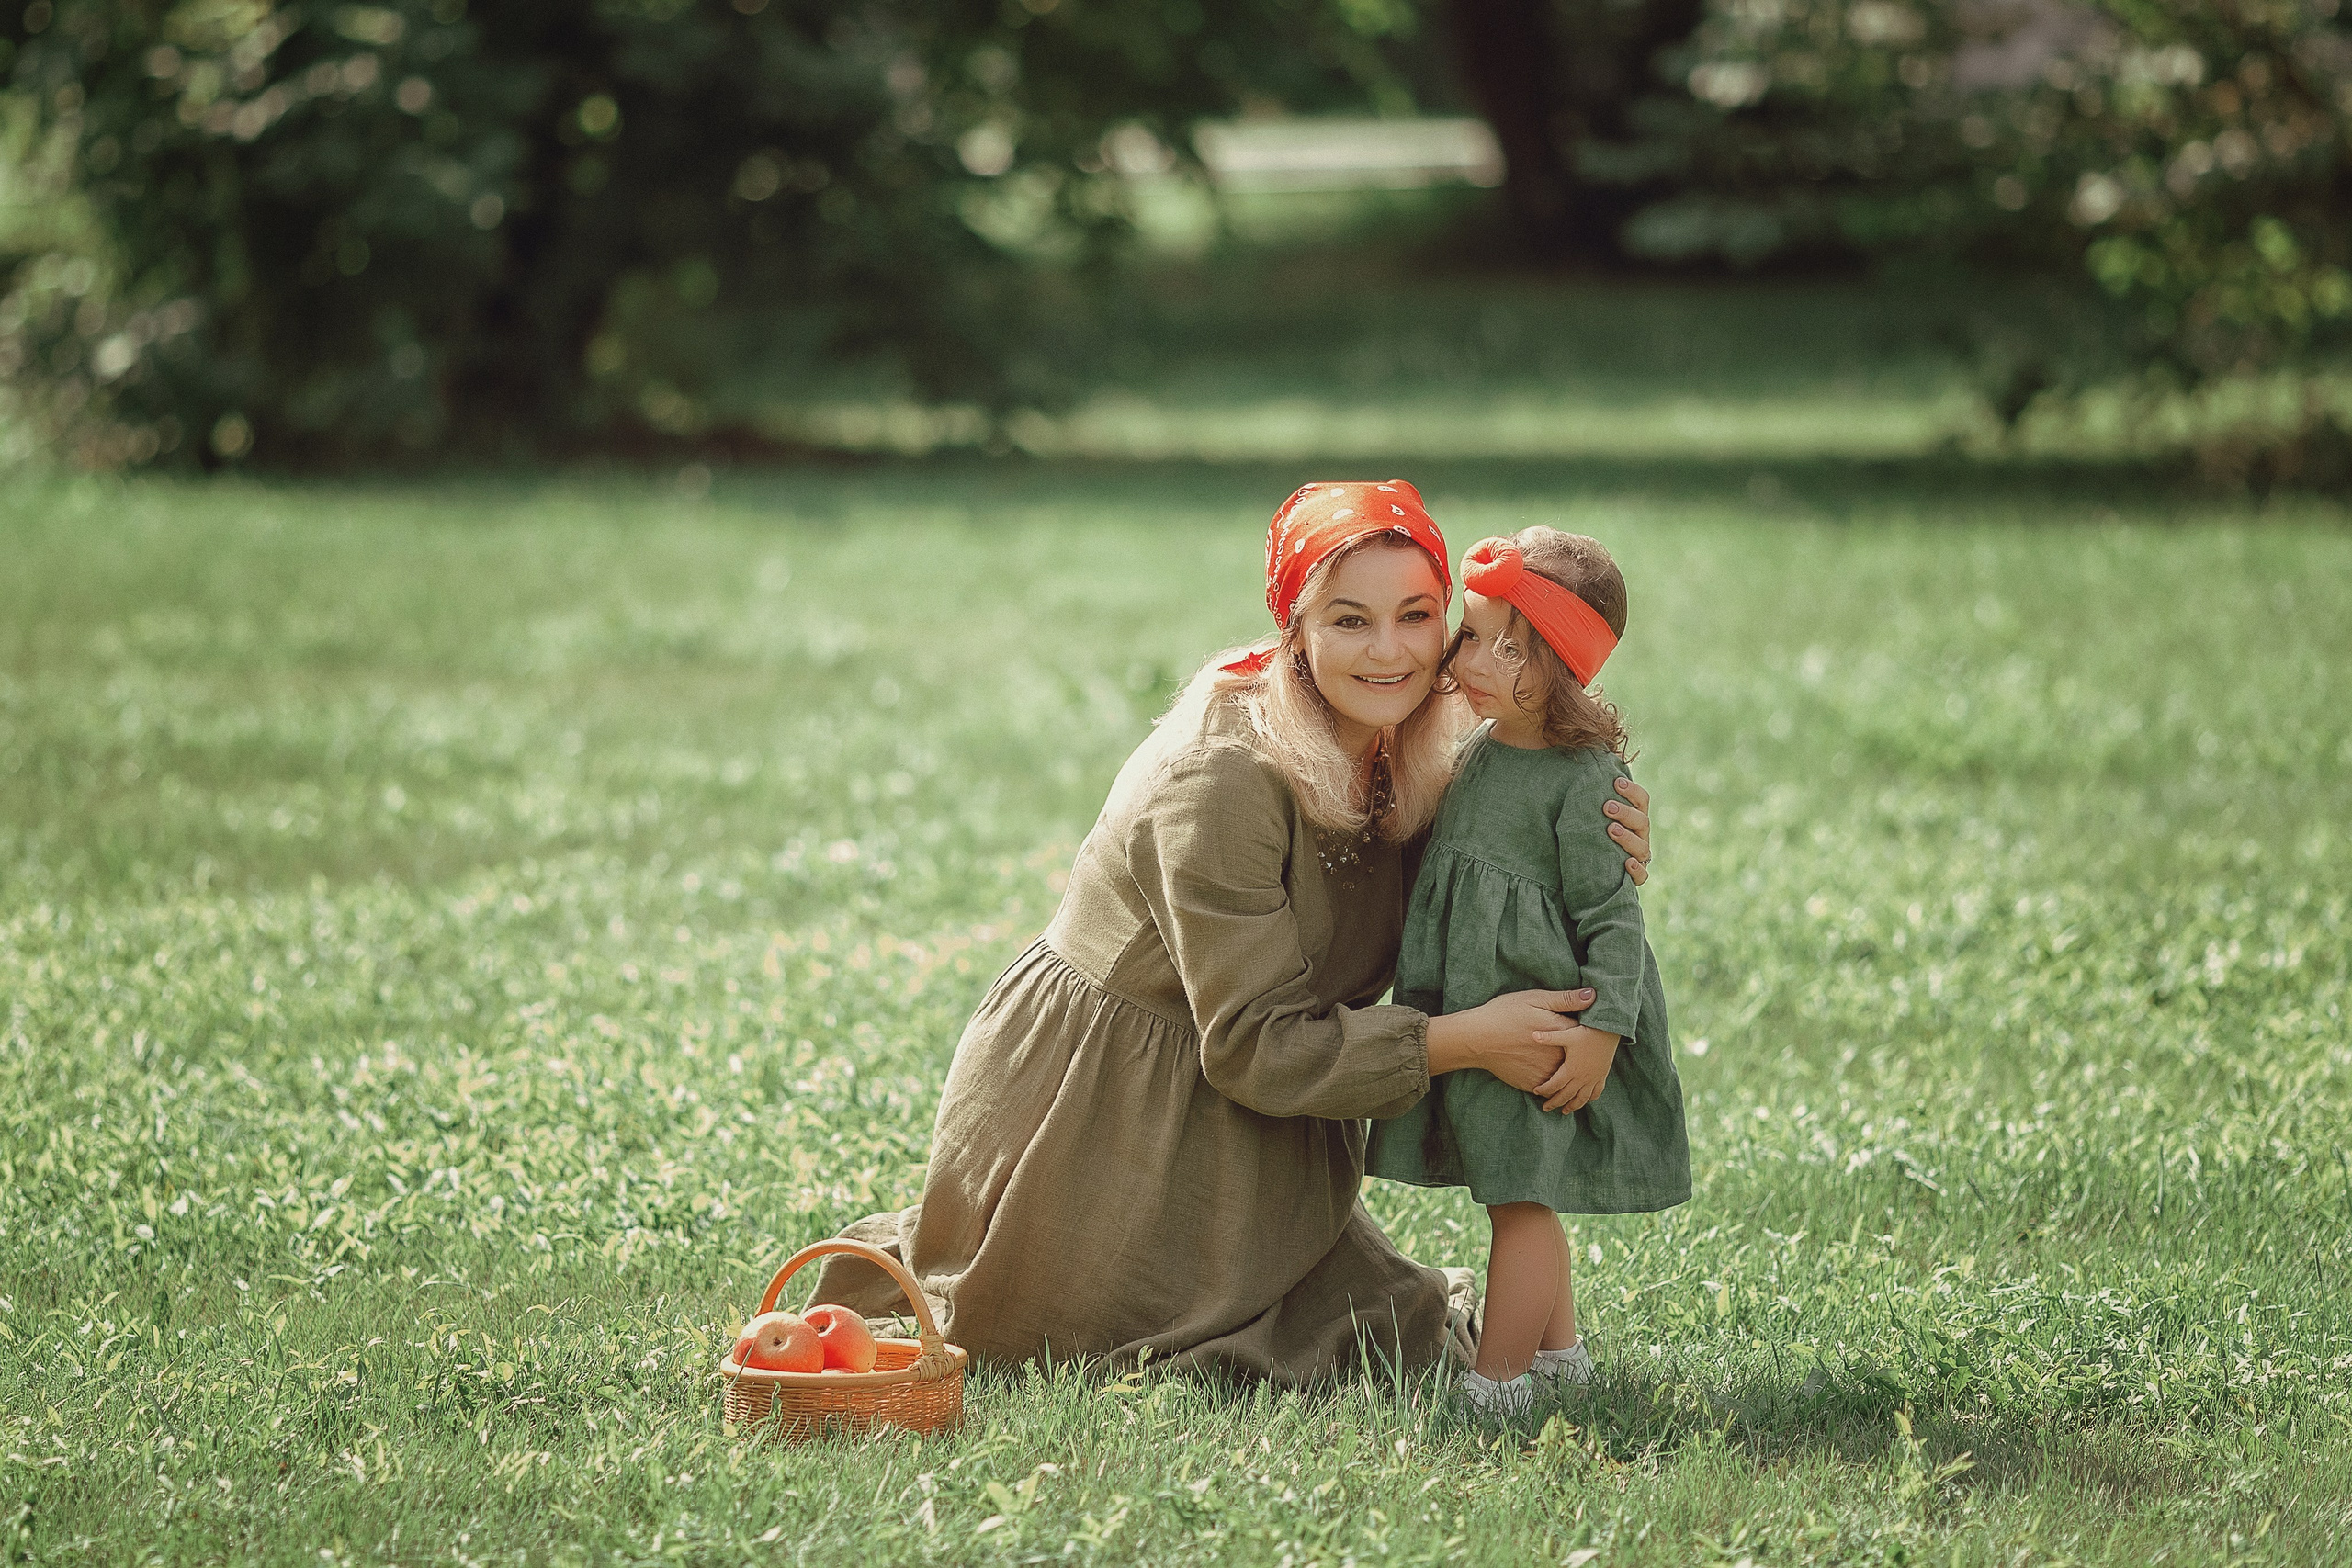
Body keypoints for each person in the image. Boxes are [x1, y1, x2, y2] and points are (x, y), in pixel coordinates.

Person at [813, 483, 1653, 1383]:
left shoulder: (1414, 744)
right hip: (1113, 1109)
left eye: (1416, 616)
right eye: (1347, 620)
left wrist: (1583, 843)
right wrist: (1465, 1043)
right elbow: (1253, 1043)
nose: (1388, 650)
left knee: (1385, 1335)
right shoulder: (1221, 775)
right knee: (1166, 1339)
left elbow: (1472, 902)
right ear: (1295, 629)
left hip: (1258, 1112)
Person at [1366, 528, 1690, 1417]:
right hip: (1479, 1007)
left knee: (1520, 1205)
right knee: (1513, 1186)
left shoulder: (1581, 778)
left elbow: (1612, 915)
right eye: (1470, 635)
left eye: (1506, 647)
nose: (1472, 658)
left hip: (1545, 1018)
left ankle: (1497, 1385)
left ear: (1559, 665)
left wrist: (1602, 1032)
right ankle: (1560, 1358)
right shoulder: (1480, 748)